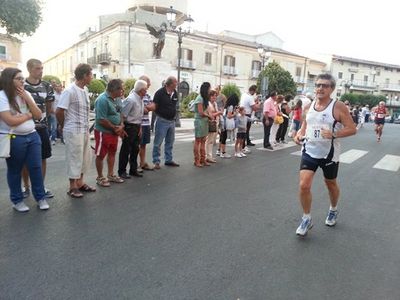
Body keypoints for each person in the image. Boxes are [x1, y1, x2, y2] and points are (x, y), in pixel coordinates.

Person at [293, 73, 357, 236]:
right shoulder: (308, 106)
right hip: (309, 151)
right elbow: (304, 127)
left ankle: (333, 209)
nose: (320, 88)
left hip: (329, 154)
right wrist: (298, 135)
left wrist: (334, 134)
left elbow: (352, 128)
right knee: (304, 185)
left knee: (330, 183)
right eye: (318, 85)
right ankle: (306, 218)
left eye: (325, 86)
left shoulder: (338, 106)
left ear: (332, 89)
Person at [0, 68, 50, 211]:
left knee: (36, 167)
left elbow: (39, 114)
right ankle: (17, 201)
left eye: (22, 78)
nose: (23, 81)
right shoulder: (2, 96)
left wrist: (28, 99)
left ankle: (40, 198)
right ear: (9, 80)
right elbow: (10, 120)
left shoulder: (26, 93)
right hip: (14, 138)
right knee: (15, 170)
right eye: (19, 78)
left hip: (33, 135)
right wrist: (28, 115)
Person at [56, 64, 96, 198]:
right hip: (73, 130)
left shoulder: (85, 90)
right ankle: (72, 186)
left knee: (85, 157)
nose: (92, 77)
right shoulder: (69, 91)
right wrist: (64, 125)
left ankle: (80, 183)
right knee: (74, 158)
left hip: (84, 130)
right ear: (84, 75)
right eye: (91, 74)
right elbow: (59, 111)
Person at [22, 58, 55, 199]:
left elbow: (49, 105)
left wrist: (45, 120)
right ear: (29, 69)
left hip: (42, 127)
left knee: (43, 157)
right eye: (37, 68)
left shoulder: (47, 85)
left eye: (42, 68)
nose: (41, 71)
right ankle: (26, 187)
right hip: (24, 127)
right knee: (24, 159)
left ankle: (40, 186)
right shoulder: (21, 85)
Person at [94, 79, 126, 186]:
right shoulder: (102, 100)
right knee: (100, 155)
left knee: (112, 152)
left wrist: (121, 125)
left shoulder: (117, 99)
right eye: (121, 88)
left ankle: (111, 174)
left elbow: (120, 113)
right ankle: (100, 177)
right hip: (103, 132)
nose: (122, 91)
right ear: (115, 89)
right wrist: (115, 128)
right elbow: (101, 119)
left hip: (114, 132)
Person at [118, 80, 147, 178]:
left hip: (136, 126)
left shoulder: (140, 98)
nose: (146, 91)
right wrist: (122, 127)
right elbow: (123, 114)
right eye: (145, 90)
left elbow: (139, 115)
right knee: (126, 149)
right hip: (129, 126)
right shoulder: (131, 99)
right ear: (141, 90)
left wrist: (140, 128)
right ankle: (122, 171)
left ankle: (133, 170)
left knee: (135, 149)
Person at [152, 76, 180, 169]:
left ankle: (168, 160)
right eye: (176, 82)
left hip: (171, 121)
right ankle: (156, 161)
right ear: (171, 83)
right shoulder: (160, 93)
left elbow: (174, 105)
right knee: (158, 142)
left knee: (170, 141)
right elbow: (155, 106)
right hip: (162, 120)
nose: (177, 84)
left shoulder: (175, 93)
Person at [138, 75, 155, 171]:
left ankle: (142, 163)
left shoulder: (147, 95)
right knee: (136, 145)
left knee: (143, 144)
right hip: (138, 124)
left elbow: (153, 107)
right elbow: (142, 110)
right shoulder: (135, 94)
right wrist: (147, 108)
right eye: (148, 84)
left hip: (146, 124)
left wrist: (147, 108)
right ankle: (136, 164)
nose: (149, 86)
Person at [193, 82, 212, 167]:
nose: (210, 90)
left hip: (204, 121)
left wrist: (209, 116)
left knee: (203, 140)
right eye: (209, 88)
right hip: (200, 121)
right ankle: (197, 161)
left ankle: (202, 160)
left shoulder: (204, 98)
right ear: (206, 89)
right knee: (198, 141)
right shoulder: (200, 98)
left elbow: (206, 111)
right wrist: (209, 116)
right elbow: (200, 113)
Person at [219, 94, 240, 158]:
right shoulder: (231, 107)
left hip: (224, 123)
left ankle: (219, 150)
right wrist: (235, 114)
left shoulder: (227, 106)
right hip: (226, 124)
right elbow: (229, 116)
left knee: (222, 137)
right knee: (224, 138)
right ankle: (223, 153)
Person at [206, 89, 222, 163]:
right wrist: (218, 112)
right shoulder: (208, 104)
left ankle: (209, 156)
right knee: (208, 140)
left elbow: (215, 112)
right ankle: (207, 156)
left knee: (211, 141)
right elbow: (210, 115)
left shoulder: (215, 103)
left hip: (215, 122)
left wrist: (218, 113)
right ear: (209, 96)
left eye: (215, 96)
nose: (214, 97)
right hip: (209, 123)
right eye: (213, 96)